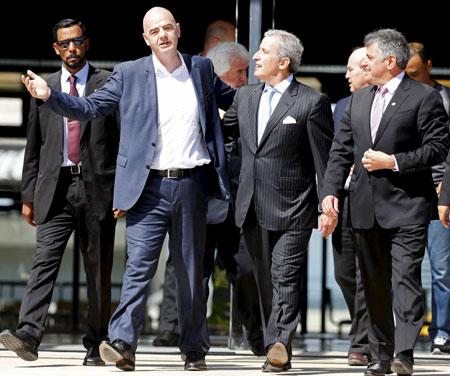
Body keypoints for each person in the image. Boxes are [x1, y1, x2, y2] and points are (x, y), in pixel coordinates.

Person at [21, 6, 235, 372]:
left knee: (189, 271)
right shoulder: (129, 73)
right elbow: (89, 107)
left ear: (179, 30)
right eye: (155, 31)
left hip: (191, 185)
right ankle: (122, 344)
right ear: (146, 38)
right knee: (138, 269)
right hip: (148, 187)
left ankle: (194, 349)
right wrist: (48, 97)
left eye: (168, 28)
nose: (163, 35)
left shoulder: (200, 69)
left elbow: (235, 104)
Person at [321, 29, 449, 376]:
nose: (365, 63)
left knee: (405, 278)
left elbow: (437, 148)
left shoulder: (424, 97)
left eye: (370, 58)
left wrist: (392, 161)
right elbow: (340, 152)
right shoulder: (358, 101)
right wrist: (329, 193)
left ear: (390, 62)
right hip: (363, 207)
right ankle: (380, 354)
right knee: (374, 285)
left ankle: (404, 353)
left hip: (407, 205)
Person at [0, 19, 119, 366]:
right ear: (56, 48)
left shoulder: (107, 82)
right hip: (55, 188)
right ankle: (28, 334)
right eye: (64, 44)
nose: (71, 48)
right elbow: (34, 145)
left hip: (97, 187)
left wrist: (123, 191)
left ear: (87, 43)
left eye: (77, 41)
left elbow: (121, 139)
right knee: (43, 261)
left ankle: (97, 343)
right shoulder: (45, 86)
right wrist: (27, 195)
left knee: (98, 269)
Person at [224, 29, 335, 372]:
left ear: (283, 62)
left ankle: (278, 344)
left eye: (263, 52)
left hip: (294, 207)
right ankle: (269, 337)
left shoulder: (310, 102)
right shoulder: (244, 97)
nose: (255, 57)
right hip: (250, 205)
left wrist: (327, 203)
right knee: (257, 277)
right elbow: (224, 134)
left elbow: (325, 160)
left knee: (284, 275)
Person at [154, 41, 264, 355]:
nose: (245, 78)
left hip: (238, 207)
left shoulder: (249, 107)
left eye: (246, 71)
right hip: (198, 204)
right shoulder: (189, 104)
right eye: (239, 72)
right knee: (189, 272)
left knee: (245, 270)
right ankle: (182, 335)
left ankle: (256, 334)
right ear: (217, 73)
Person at [153, 20, 236, 348]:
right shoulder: (188, 72)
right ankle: (171, 328)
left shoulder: (209, 77)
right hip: (187, 184)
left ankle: (251, 333)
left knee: (230, 266)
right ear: (216, 44)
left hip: (220, 190)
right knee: (183, 260)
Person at [405, 41, 450, 355]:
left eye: (416, 72)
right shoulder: (401, 97)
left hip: (438, 194)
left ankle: (442, 331)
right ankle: (403, 330)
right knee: (403, 266)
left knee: (442, 268)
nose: (412, 79)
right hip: (406, 193)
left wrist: (445, 187)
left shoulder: (445, 99)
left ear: (429, 66)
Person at [332, 47, 371, 367]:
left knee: (367, 272)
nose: (346, 75)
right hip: (341, 199)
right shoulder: (342, 105)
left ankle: (360, 342)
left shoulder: (385, 102)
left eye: (352, 69)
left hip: (372, 199)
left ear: (369, 70)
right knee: (343, 272)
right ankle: (371, 323)